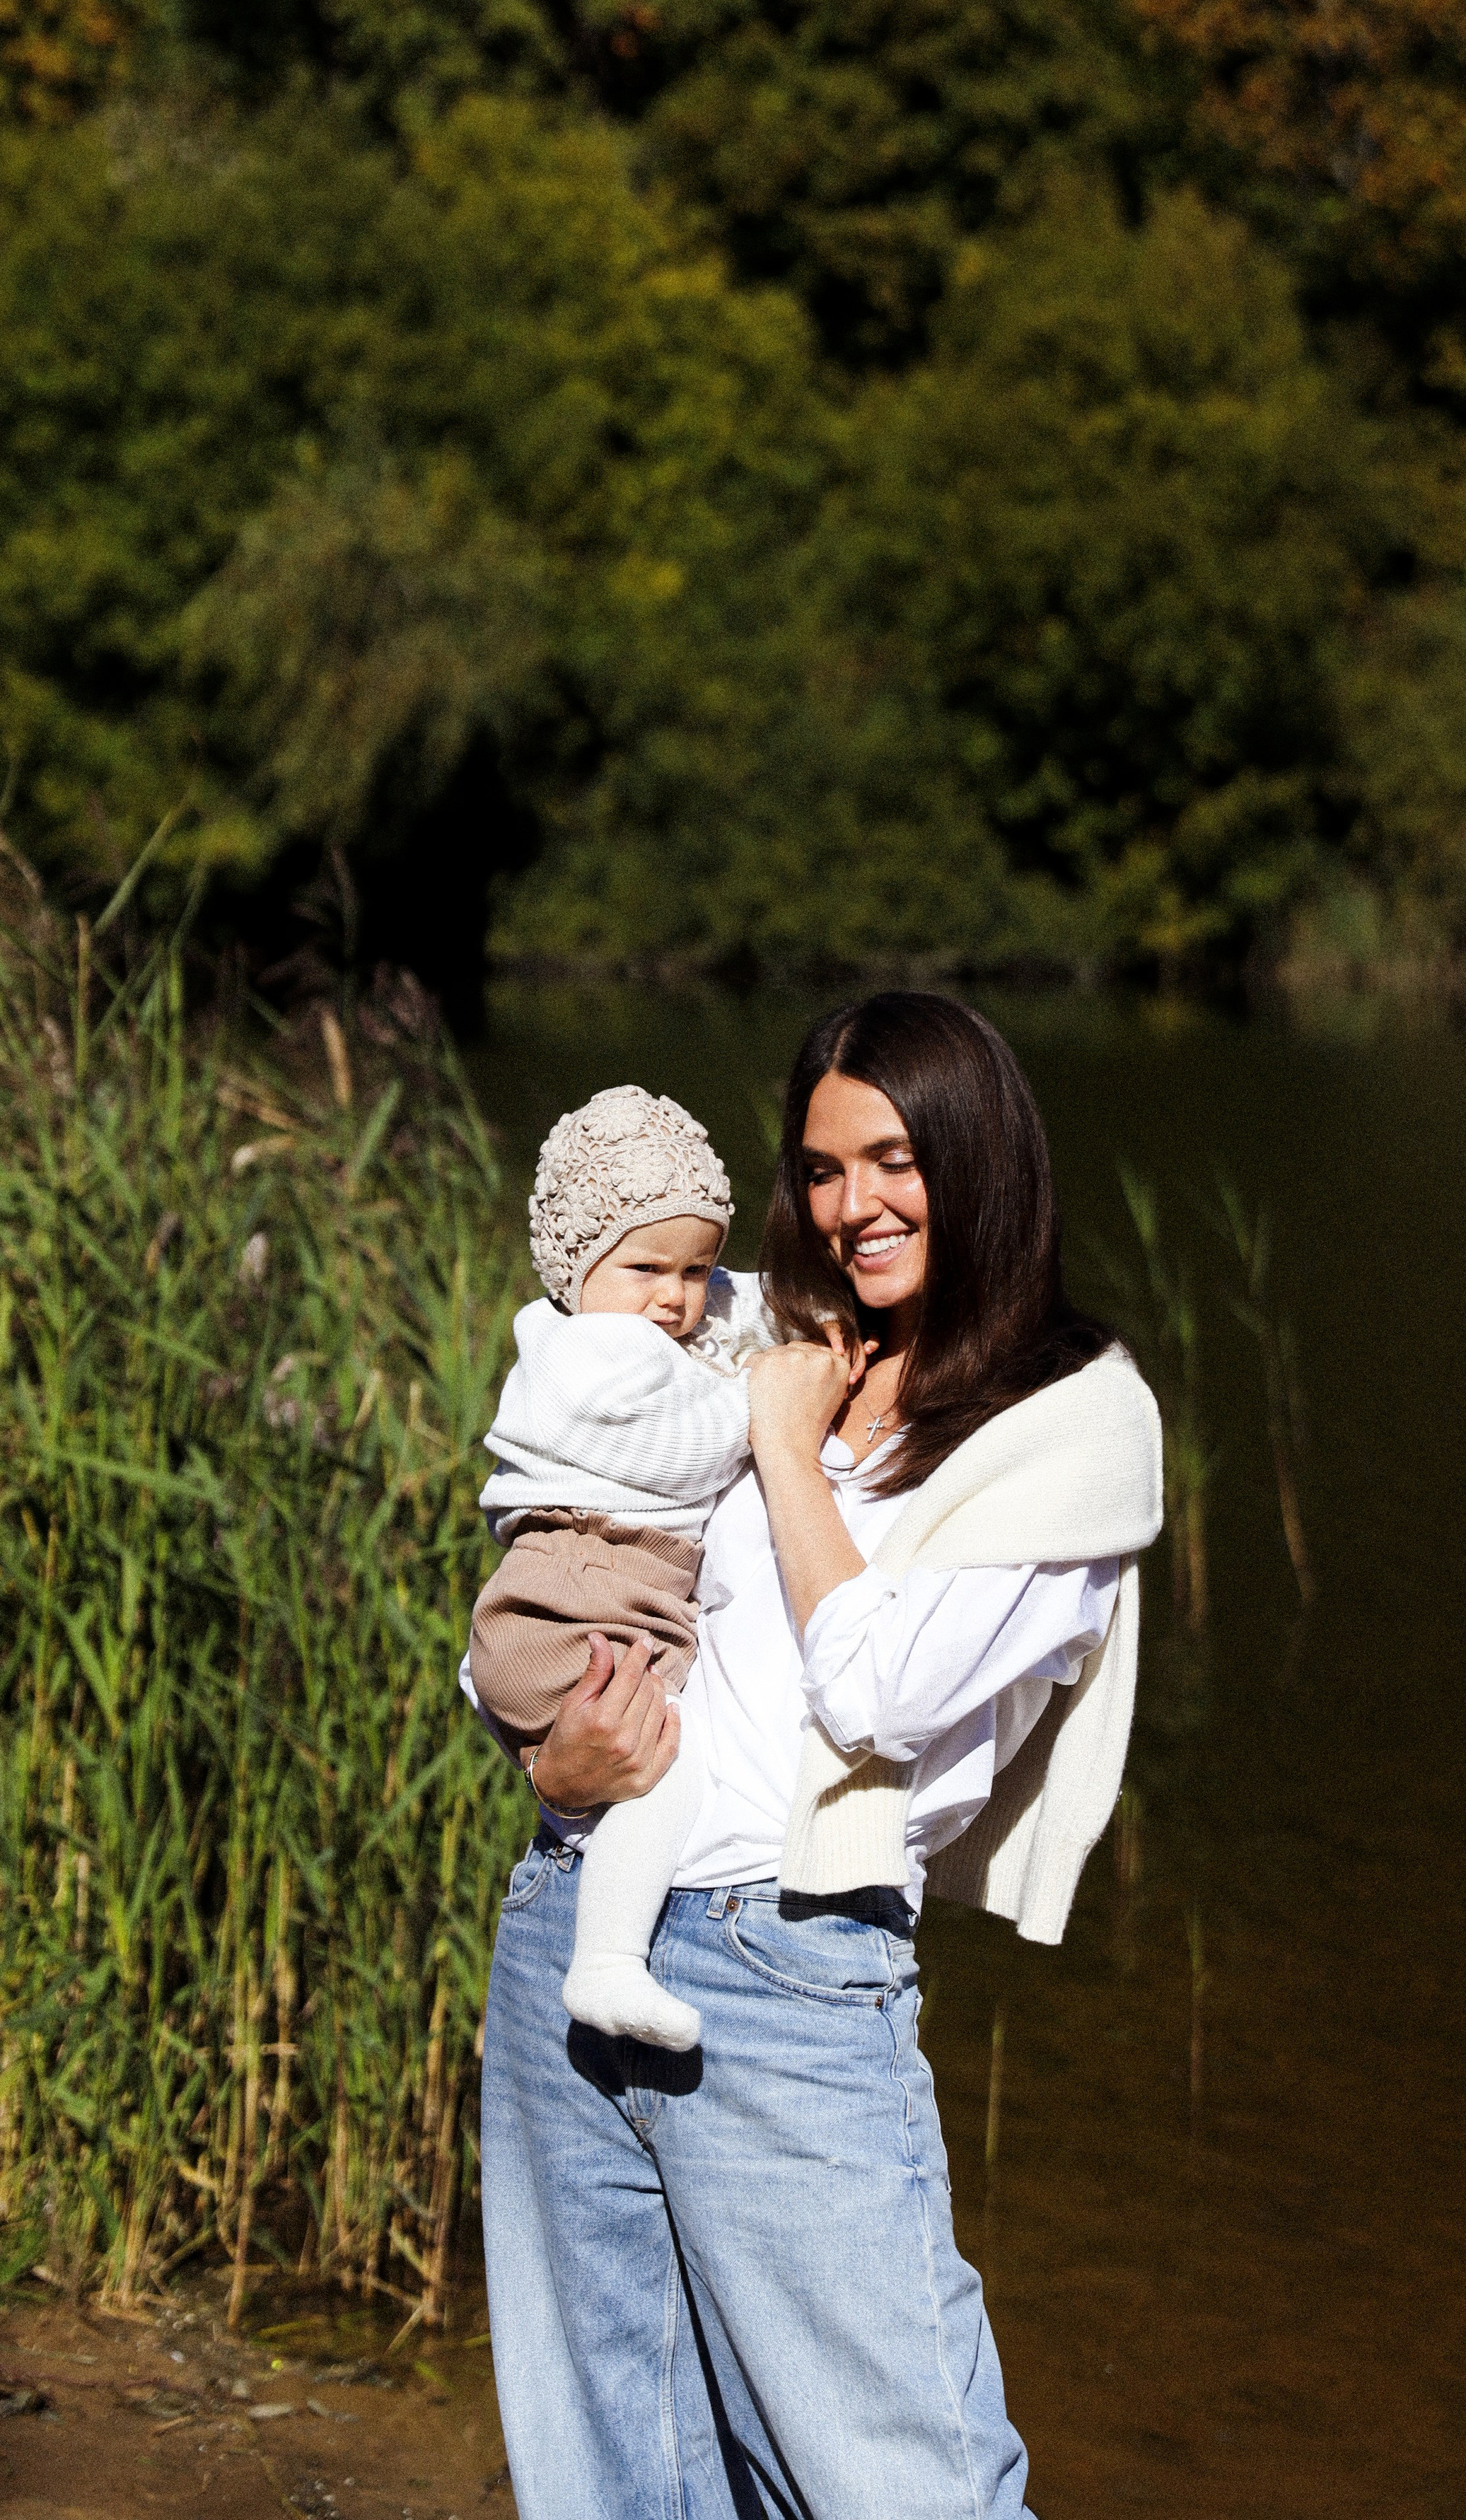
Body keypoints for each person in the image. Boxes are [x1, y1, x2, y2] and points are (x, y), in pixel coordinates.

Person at [477, 994, 1163, 2520]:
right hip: (572, 1927)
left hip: (787, 1979)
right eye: (822, 1168)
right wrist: (545, 1747)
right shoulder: (755, 1331)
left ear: (980, 1162)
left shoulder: (1073, 1424)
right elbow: (561, 1534)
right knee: (610, 2481)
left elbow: (873, 1692)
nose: (853, 1206)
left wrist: (787, 1450)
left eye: (894, 1159)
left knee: (903, 2487)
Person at [466, 1083, 771, 2050]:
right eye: (648, 1267)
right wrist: (764, 1397)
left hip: (572, 1600)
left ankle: (606, 1962)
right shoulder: (595, 1356)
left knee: (652, 1766)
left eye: (699, 1268)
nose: (678, 1297)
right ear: (577, 1265)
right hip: (584, 1598)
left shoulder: (621, 1322)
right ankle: (604, 1965)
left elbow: (742, 1302)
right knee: (666, 1769)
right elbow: (681, 1452)